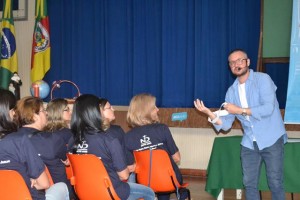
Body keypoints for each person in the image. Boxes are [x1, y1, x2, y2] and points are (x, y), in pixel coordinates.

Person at [194, 49, 287, 200]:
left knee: (275, 182)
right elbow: (226, 125)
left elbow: (268, 108)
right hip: (249, 142)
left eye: (240, 60)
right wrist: (209, 114)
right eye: (232, 62)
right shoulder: (231, 92)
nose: (236, 64)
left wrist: (240, 110)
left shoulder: (263, 79)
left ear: (248, 62)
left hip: (271, 138)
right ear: (230, 67)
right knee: (249, 184)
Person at [68, 94, 155, 200]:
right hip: (111, 191)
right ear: (94, 112)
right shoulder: (110, 139)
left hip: (84, 191)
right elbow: (124, 176)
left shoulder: (72, 140)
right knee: (149, 193)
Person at [0, 89, 69, 200]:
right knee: (62, 187)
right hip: (30, 196)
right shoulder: (19, 141)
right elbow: (44, 184)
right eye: (13, 110)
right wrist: (28, 180)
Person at [125, 93, 187, 200]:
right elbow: (177, 158)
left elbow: (130, 167)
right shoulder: (162, 129)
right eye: (154, 108)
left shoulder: (127, 137)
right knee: (168, 182)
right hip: (169, 181)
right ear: (146, 111)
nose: (158, 110)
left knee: (155, 181)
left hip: (144, 183)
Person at [44, 98, 77, 199]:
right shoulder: (69, 134)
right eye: (67, 109)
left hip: (47, 180)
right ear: (58, 112)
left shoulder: (42, 134)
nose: (70, 112)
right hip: (66, 179)